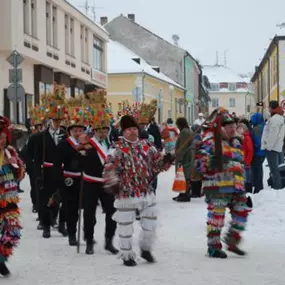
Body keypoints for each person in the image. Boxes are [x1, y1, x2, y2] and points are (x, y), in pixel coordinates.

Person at [103, 115, 173, 267]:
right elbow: (109, 167)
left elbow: (156, 164)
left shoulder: (147, 145)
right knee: (125, 225)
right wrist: (113, 181)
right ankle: (127, 254)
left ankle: (145, 248)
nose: (132, 132)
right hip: (126, 192)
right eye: (128, 129)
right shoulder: (116, 148)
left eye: (134, 128)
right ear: (123, 131)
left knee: (151, 223)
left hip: (145, 191)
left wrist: (166, 160)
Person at [196, 107, 251, 258]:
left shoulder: (236, 142)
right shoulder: (211, 142)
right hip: (218, 187)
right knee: (216, 218)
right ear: (221, 128)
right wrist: (209, 162)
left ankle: (232, 240)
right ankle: (213, 247)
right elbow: (200, 161)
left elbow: (240, 164)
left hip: (236, 187)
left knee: (242, 212)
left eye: (234, 126)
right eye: (229, 127)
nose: (233, 129)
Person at [77, 92, 118, 255]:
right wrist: (81, 154)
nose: (102, 133)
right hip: (90, 182)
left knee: (112, 212)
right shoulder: (87, 144)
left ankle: (109, 240)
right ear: (94, 130)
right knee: (89, 214)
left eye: (105, 130)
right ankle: (88, 240)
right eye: (100, 130)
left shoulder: (111, 144)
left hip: (106, 183)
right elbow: (76, 161)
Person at [34, 88, 67, 238]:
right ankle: (46, 225)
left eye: (59, 120)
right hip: (46, 171)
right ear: (50, 121)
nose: (57, 123)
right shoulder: (41, 137)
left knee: (59, 198)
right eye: (55, 120)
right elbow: (35, 156)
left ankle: (58, 221)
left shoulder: (65, 134)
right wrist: (36, 173)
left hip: (60, 171)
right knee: (45, 199)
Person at [55, 107, 87, 246]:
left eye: (80, 130)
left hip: (84, 179)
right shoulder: (64, 144)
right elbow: (58, 161)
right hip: (69, 179)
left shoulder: (89, 144)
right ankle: (72, 234)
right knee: (71, 207)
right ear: (70, 132)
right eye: (75, 131)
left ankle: (88, 233)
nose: (78, 133)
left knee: (86, 208)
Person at [0, 116, 25, 276]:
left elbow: (20, 175)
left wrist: (16, 166)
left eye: (3, 138)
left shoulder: (10, 151)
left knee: (11, 228)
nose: (1, 141)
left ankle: (2, 259)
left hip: (9, 197)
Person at [261, 100, 285, 190]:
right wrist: (264, 108)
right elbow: (267, 116)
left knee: (274, 169)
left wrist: (268, 147)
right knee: (276, 168)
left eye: (269, 108)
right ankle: (278, 187)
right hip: (276, 147)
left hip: (272, 148)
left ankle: (277, 188)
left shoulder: (275, 119)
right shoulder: (277, 117)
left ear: (272, 108)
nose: (268, 109)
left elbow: (273, 135)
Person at [173, 117, 194, 202]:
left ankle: (186, 194)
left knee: (184, 175)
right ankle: (182, 193)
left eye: (177, 125)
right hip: (187, 156)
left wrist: (180, 158)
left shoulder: (185, 132)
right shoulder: (187, 131)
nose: (177, 127)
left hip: (185, 157)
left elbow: (182, 146)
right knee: (182, 176)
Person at [250, 113, 266, 193]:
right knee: (259, 170)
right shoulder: (264, 126)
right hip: (262, 152)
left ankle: (258, 188)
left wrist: (254, 146)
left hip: (257, 152)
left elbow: (257, 141)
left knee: (257, 171)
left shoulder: (256, 129)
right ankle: (259, 187)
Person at [237, 121, 254, 193]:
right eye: (238, 129)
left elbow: (250, 151)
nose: (238, 130)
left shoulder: (247, 138)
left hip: (246, 161)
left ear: (244, 129)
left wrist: (247, 162)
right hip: (243, 160)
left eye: (240, 128)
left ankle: (249, 191)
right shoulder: (241, 137)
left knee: (247, 177)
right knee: (244, 176)